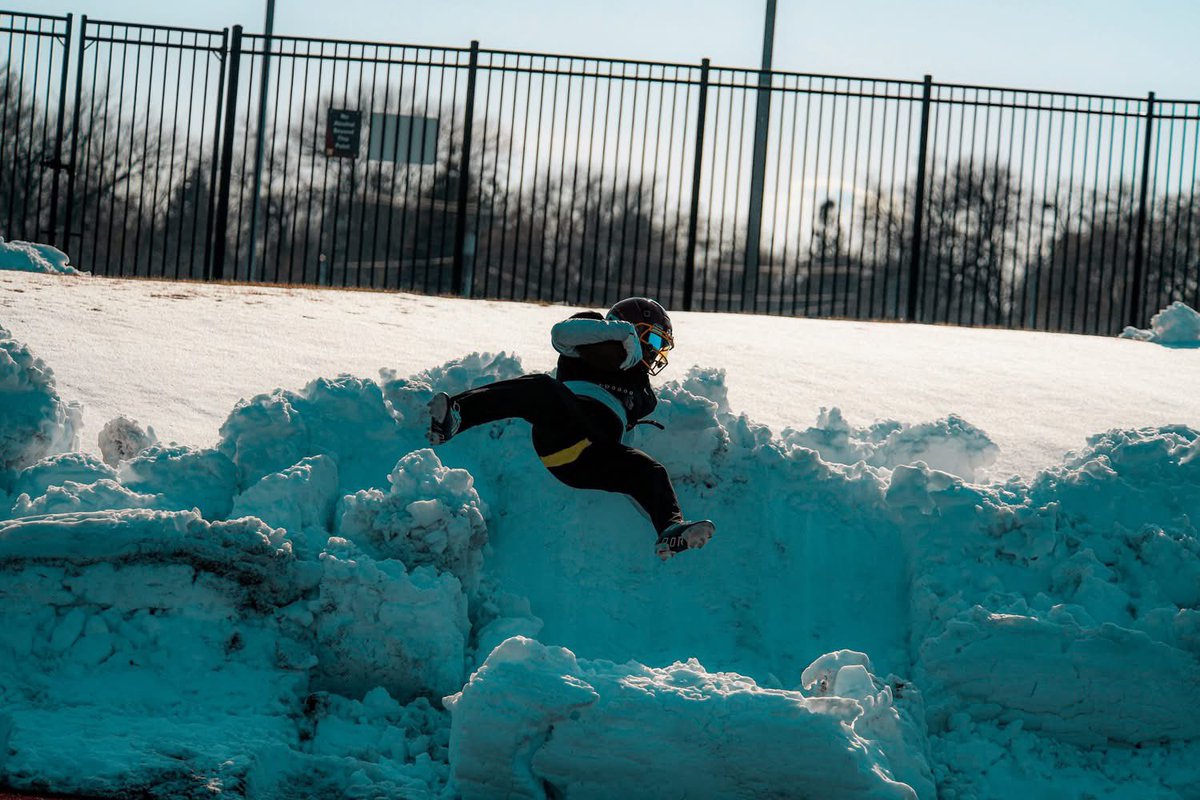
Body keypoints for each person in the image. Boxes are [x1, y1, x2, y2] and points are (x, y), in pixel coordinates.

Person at [426, 296, 714, 561]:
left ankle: (670, 529)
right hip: (565, 431)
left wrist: (634, 478)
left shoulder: (643, 393)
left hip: (591, 459)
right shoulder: (589, 342)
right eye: (651, 336)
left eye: (660, 343)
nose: (655, 349)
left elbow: (628, 451)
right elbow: (560, 334)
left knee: (651, 470)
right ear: (628, 325)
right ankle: (456, 416)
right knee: (541, 387)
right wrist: (619, 333)